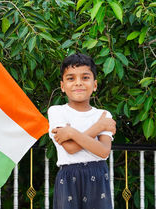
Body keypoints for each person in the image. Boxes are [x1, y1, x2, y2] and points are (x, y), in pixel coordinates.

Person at [48, 53, 116, 209]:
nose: (78, 83)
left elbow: (104, 151)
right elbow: (70, 148)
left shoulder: (103, 115)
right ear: (63, 86)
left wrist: (72, 133)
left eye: (85, 77)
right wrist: (99, 127)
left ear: (95, 84)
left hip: (98, 175)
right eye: (71, 78)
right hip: (68, 177)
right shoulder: (57, 111)